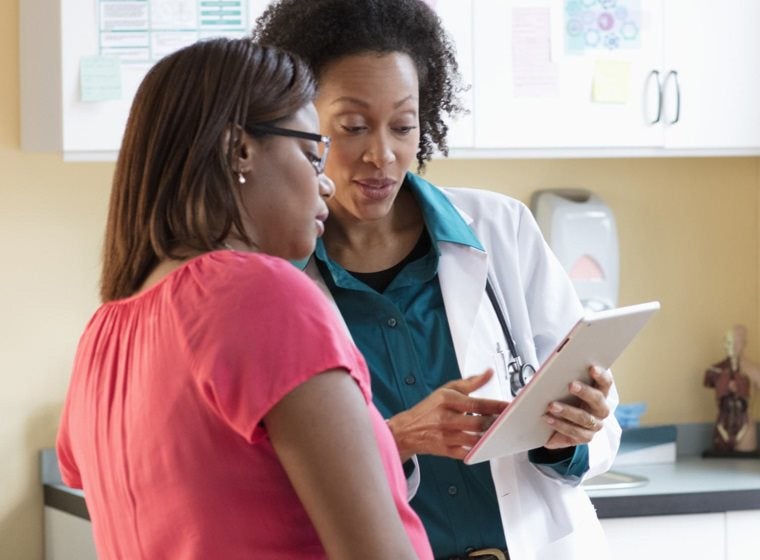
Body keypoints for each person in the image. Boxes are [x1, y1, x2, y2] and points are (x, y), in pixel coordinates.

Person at [254, 2, 622, 559]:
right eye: (353, 127)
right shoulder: (274, 280)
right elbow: (276, 485)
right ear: (303, 126)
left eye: (404, 125)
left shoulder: (501, 230)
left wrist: (574, 432)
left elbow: (603, 423)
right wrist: (394, 440)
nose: (382, 155)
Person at [55, 38, 433, 560]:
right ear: (240, 149)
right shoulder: (261, 294)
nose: (324, 184)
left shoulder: (104, 332)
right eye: (310, 152)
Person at [704, 324, 760, 454]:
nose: (733, 346)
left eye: (737, 342)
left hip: (745, 428)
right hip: (722, 426)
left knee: (743, 467)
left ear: (744, 343)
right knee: (721, 470)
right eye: (730, 341)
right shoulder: (716, 371)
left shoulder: (754, 371)